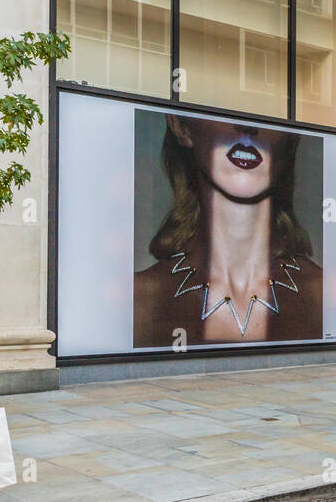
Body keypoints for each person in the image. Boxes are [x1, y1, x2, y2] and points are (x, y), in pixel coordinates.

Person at [132, 114, 323, 346]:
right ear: (181, 126)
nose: (246, 124)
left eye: (267, 109)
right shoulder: (138, 300)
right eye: (222, 105)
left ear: (292, 137)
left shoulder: (326, 296)